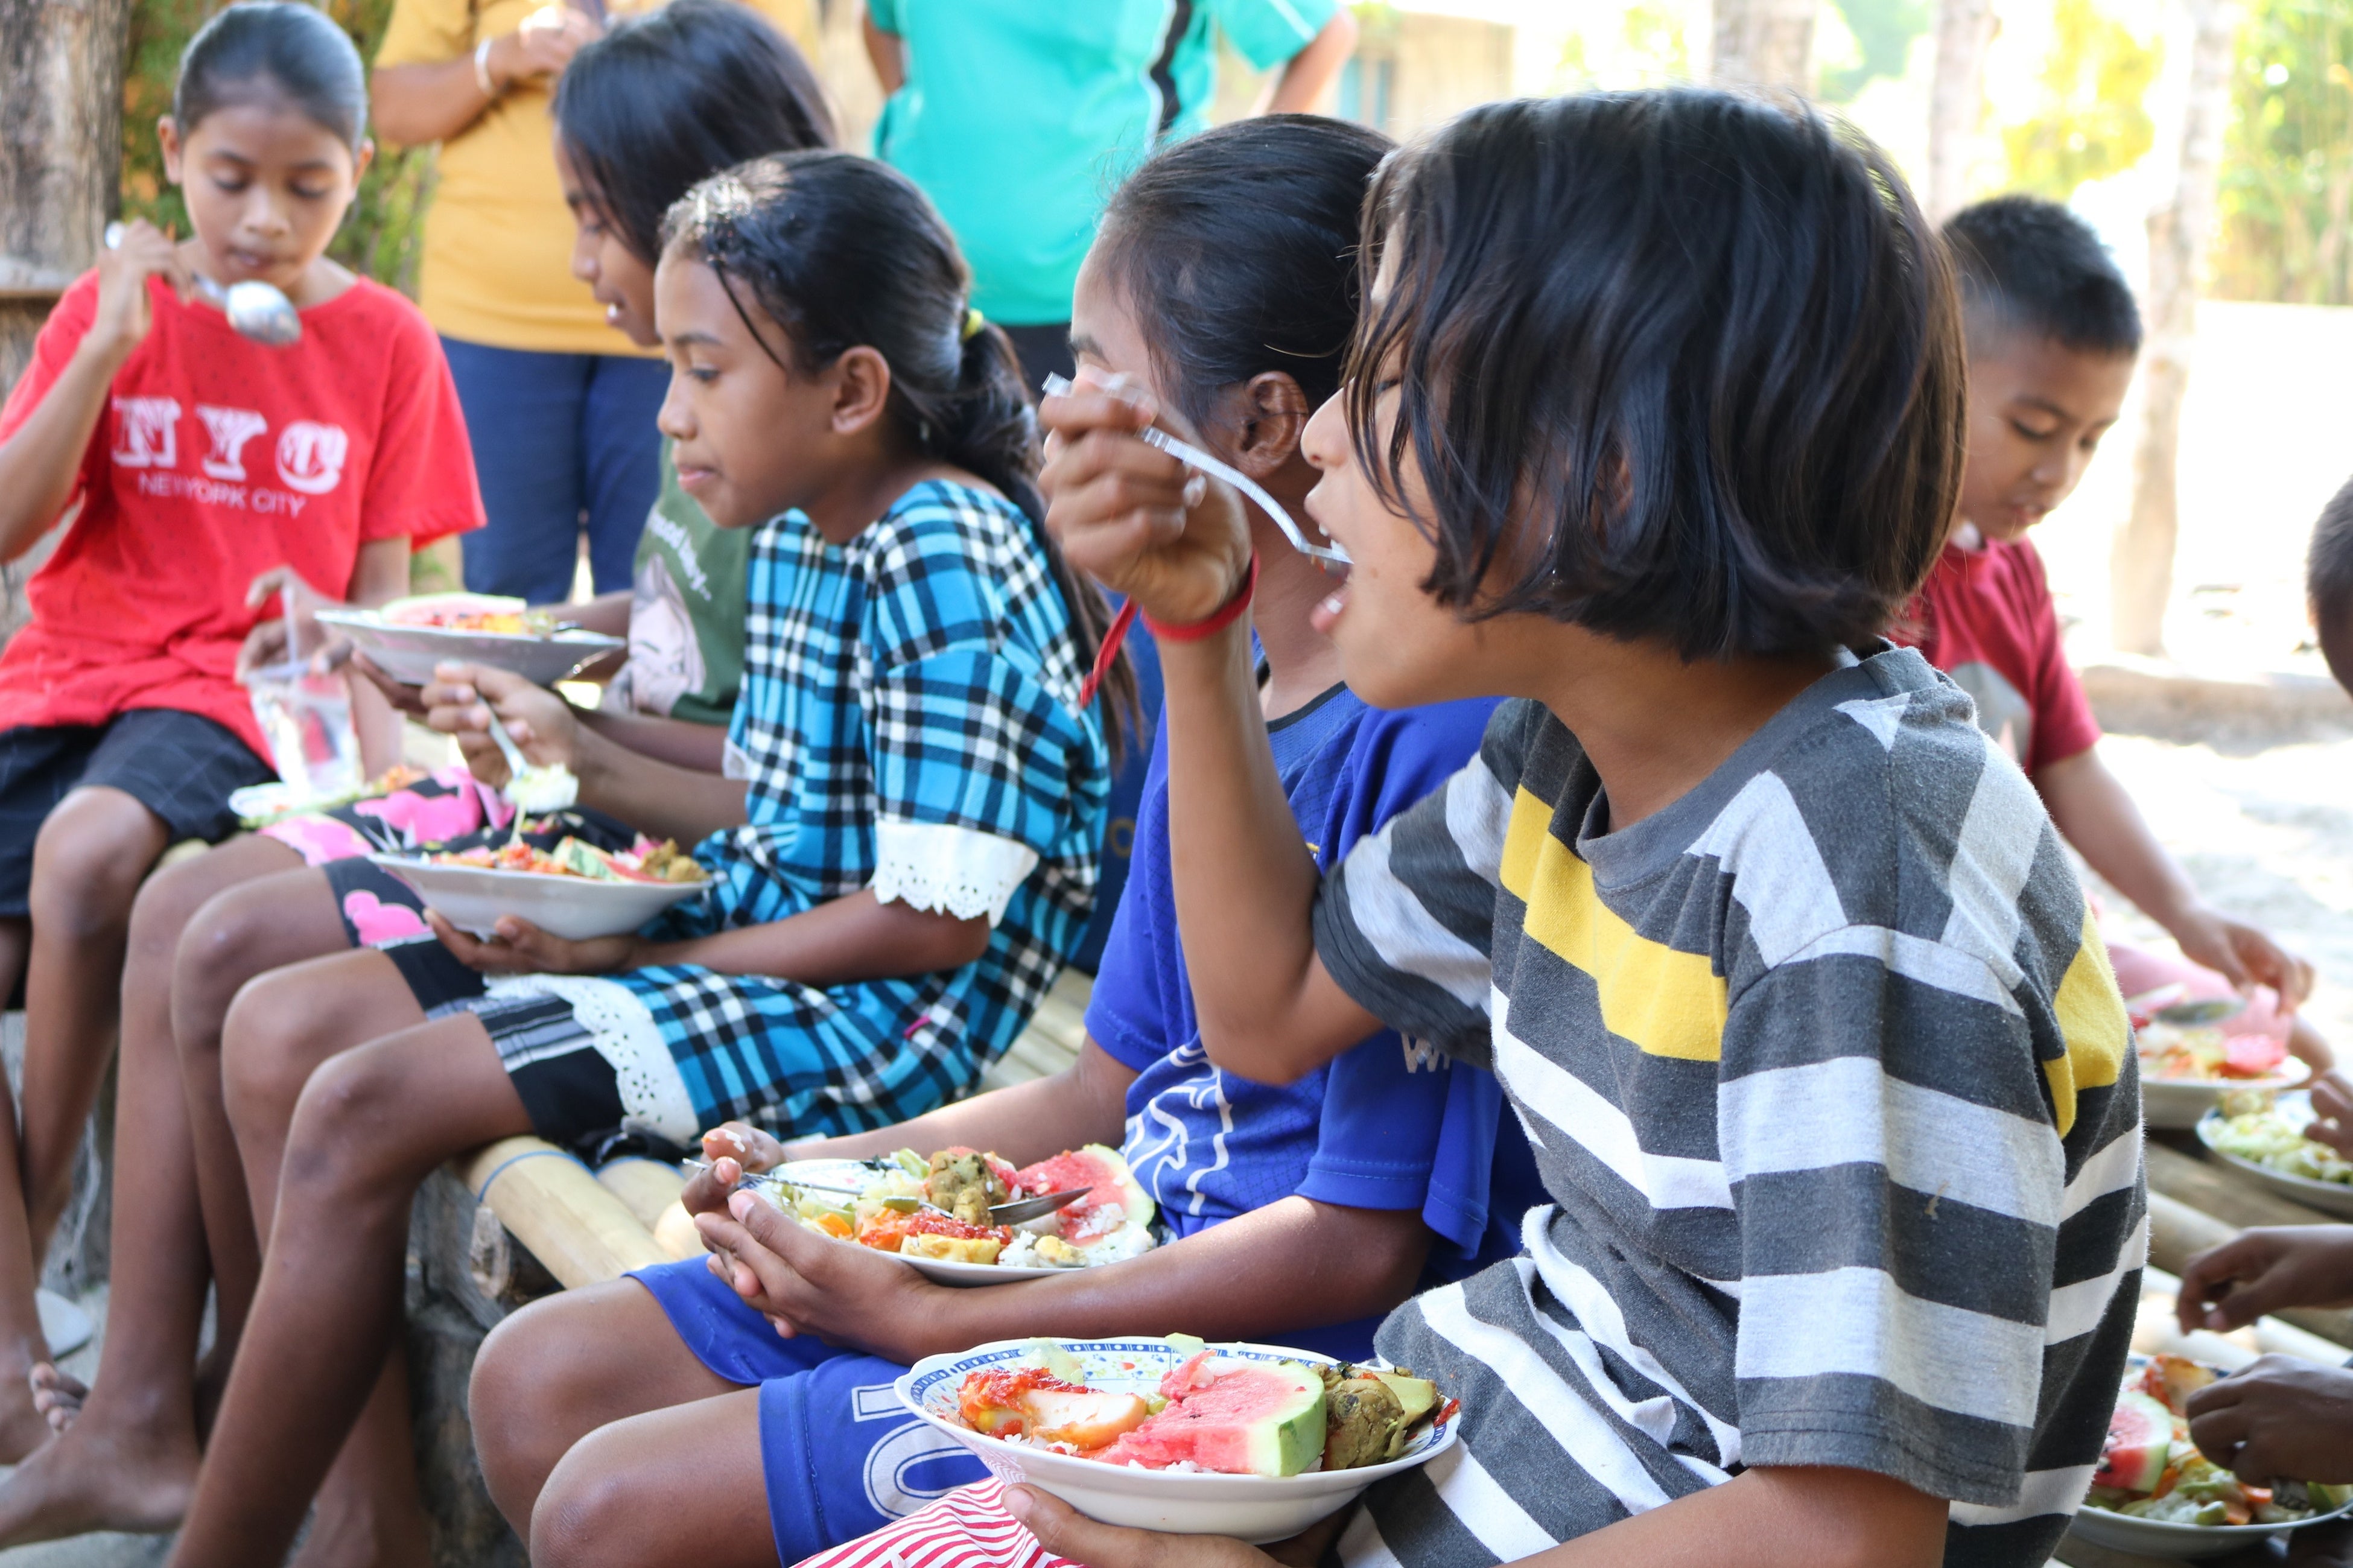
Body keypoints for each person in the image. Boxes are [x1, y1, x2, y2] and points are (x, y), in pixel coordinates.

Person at [840, 89, 2145, 1568]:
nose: (1322, 435)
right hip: (1475, 1467)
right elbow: (1265, 1015)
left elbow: (1847, 1535)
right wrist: (1198, 631)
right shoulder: (1562, 764)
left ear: (1609, 468)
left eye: (1387, 373)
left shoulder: (1856, 879)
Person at [459, 115, 1540, 1568]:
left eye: (1099, 371)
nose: (1051, 404)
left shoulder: (1423, 737)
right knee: (533, 1380)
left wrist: (938, 1314)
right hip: (1096, 1248)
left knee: (610, 1508)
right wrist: (816, 1186)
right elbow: (1111, 1076)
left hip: (1243, 1338)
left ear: (1267, 428)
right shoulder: (1215, 675)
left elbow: (1355, 1244)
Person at [154, 148, 1122, 1568]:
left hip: (888, 1029)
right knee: (305, 1037)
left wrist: (644, 948)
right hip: (772, 945)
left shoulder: (944, 546)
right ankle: (340, 1522)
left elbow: (927, 927)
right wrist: (568, 751)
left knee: (364, 1102)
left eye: (703, 370)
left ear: (851, 391)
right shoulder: (810, 521)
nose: (667, 415)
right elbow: (772, 791)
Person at [0, 7, 833, 1549]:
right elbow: (659, 637)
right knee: (194, 926)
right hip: (583, 797)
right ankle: (168, 1421)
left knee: (225, 949)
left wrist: (557, 733)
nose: (580, 264)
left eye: (594, 219)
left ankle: (330, 1496)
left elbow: (779, 769)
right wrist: (517, 649)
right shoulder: (704, 400)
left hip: (650, 859)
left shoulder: (779, 439)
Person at [0, 0, 480, 1462]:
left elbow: (384, 608)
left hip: (229, 694)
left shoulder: (389, 343)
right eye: (228, 180)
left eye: (306, 187)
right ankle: (20, 1342)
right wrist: (104, 347)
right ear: (169, 158)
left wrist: (329, 638)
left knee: (89, 855)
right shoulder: (112, 312)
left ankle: (48, 1300)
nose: (262, 220)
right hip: (65, 673)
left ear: (358, 178)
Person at [1898, 194, 2326, 1068]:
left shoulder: (2014, 571)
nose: (2060, 473)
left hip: (2054, 952)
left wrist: (2189, 915)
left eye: (2092, 440)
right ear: (1929, 369)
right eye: (2034, 428)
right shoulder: (1870, 582)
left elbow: (2068, 760)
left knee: (2295, 1040)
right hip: (1942, 977)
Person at [369, 0, 815, 601]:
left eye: (597, 220)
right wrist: (498, 59)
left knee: (682, 580)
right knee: (508, 583)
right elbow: (392, 107)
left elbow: (776, 120)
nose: (582, 261)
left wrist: (642, 69)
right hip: (496, 324)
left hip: (692, 322)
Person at [862, 0, 1357, 390]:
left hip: (1110, 309)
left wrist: (1236, 184)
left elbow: (1323, 37)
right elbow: (879, 19)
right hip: (921, 284)